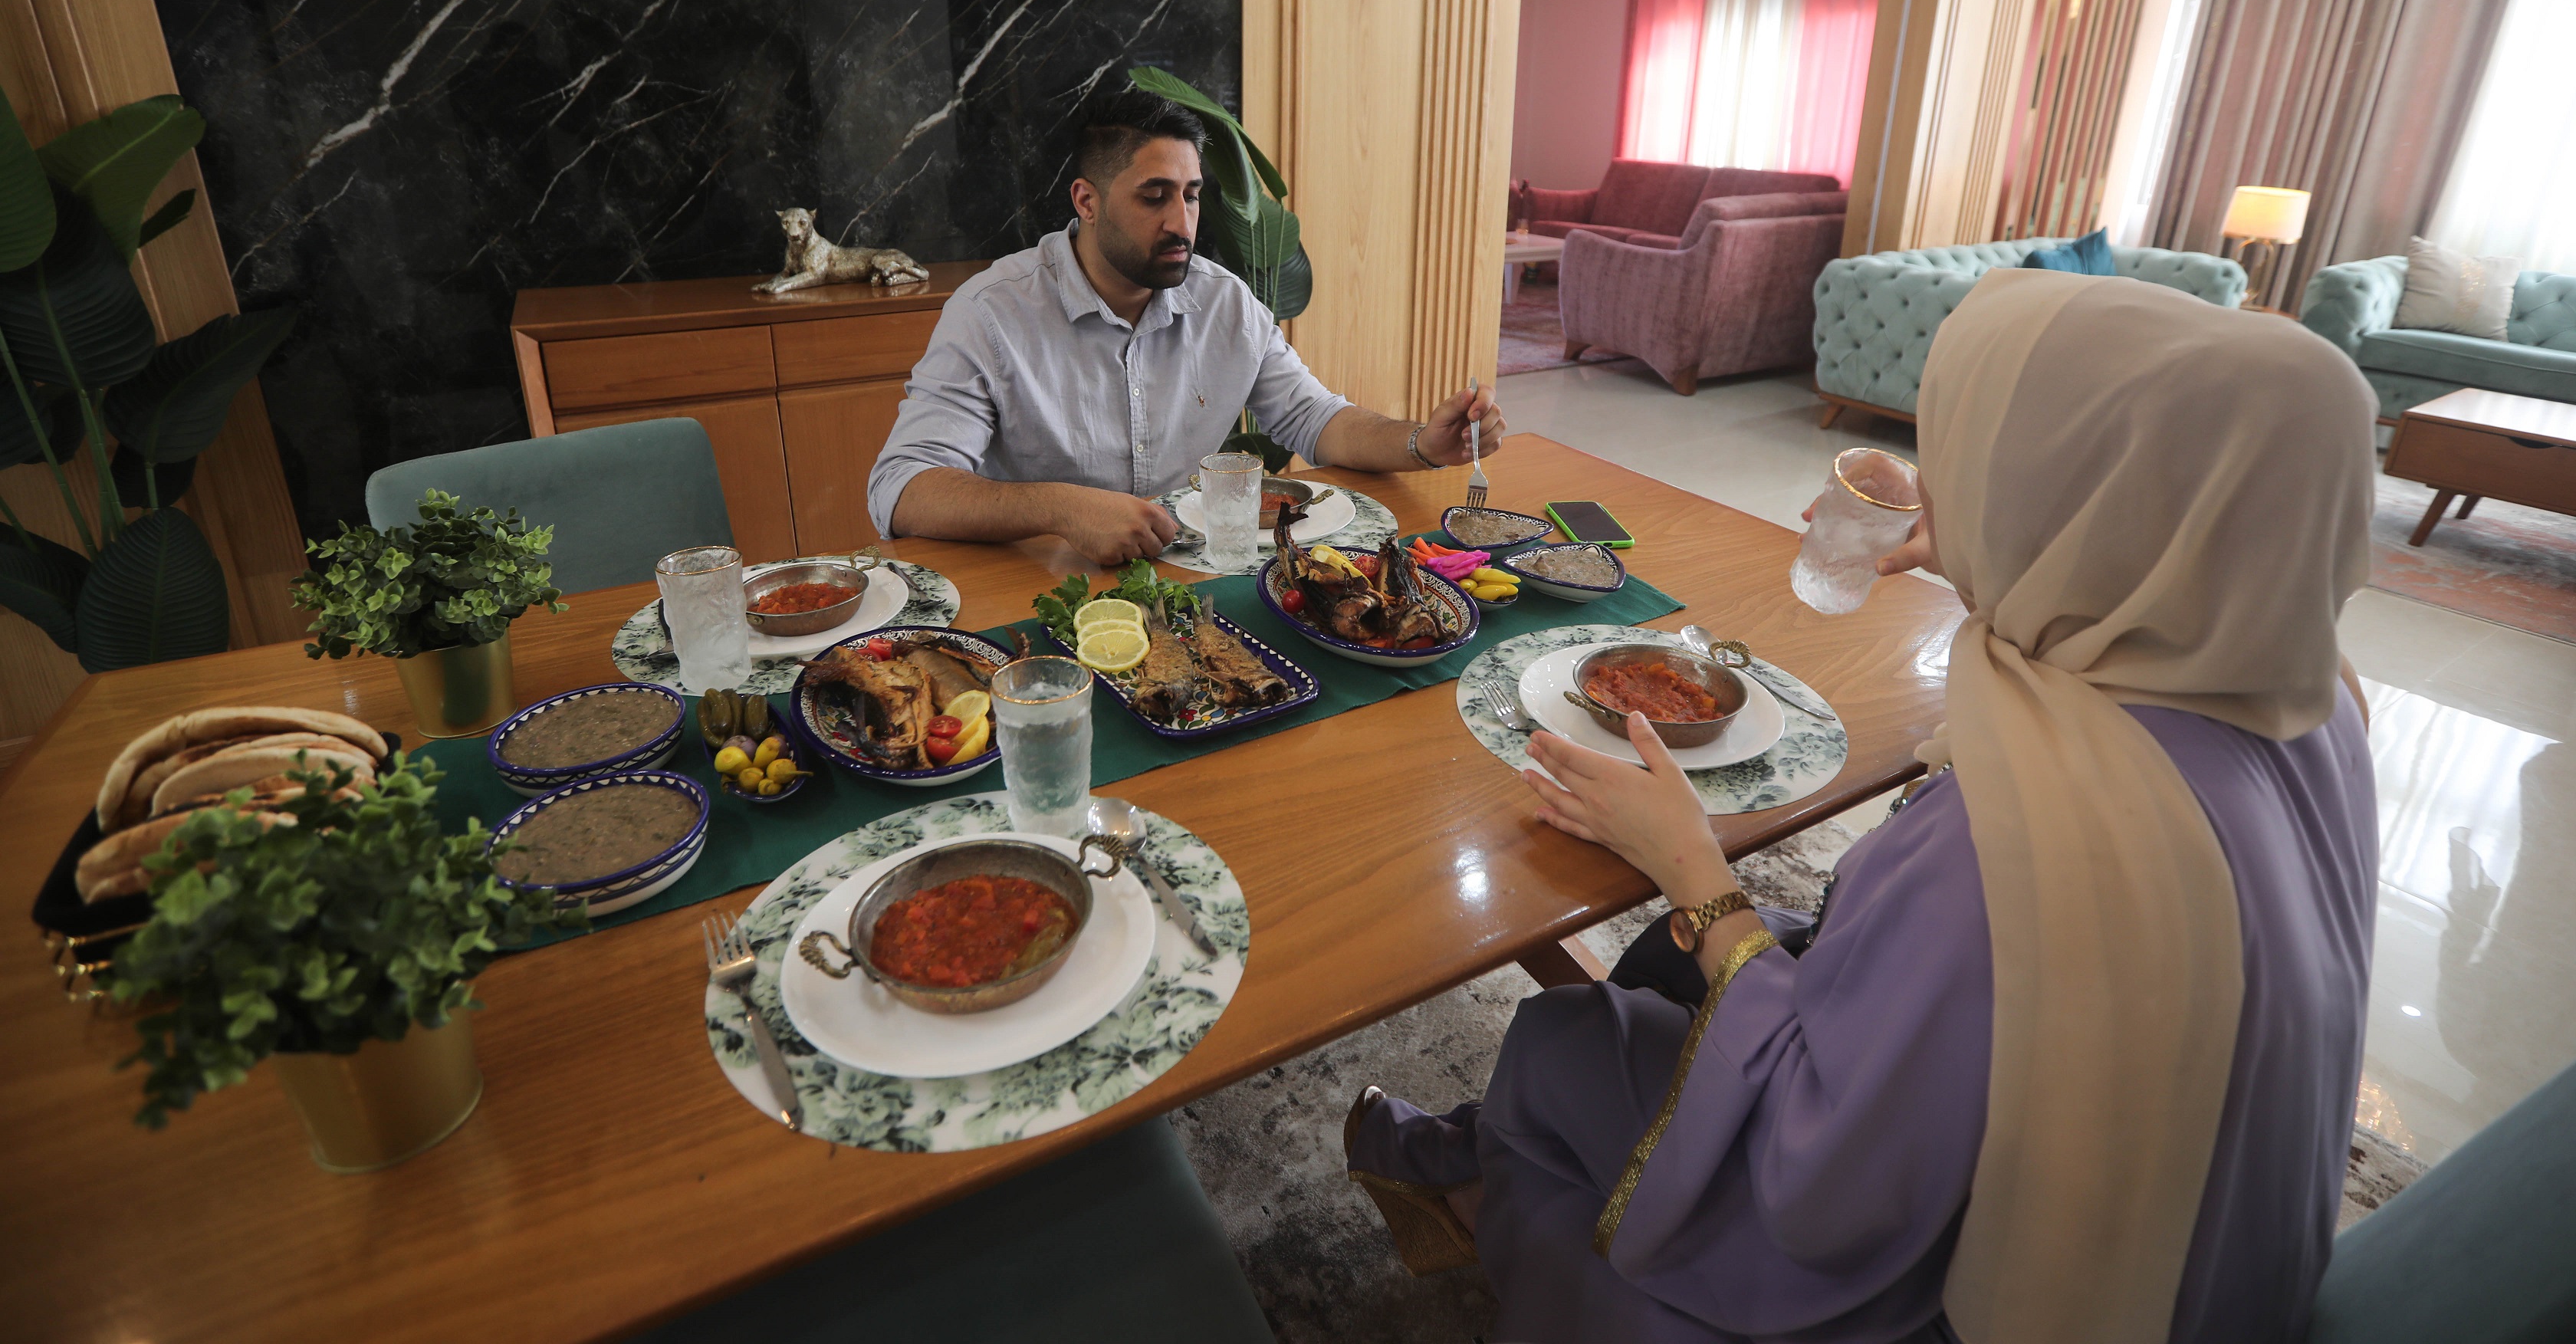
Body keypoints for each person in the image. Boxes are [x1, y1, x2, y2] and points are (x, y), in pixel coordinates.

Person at [1342, 269, 2383, 1343]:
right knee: (1663, 962)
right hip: (2182, 1232)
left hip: (1951, 1280)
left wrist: (1696, 873)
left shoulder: (2022, 838)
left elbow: (1821, 1180)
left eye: (1985, 462)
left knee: (1562, 1037)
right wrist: (1975, 536)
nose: (1948, 487)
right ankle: (1482, 1163)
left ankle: (1479, 1194)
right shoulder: (2310, 702)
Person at [866, 89, 1505, 565]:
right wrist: (1061, 508)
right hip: (1041, 583)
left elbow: (1316, 419)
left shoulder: (1225, 303)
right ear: (1086, 201)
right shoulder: (991, 311)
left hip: (1188, 579)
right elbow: (902, 490)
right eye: (1154, 197)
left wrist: (1422, 442)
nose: (1183, 222)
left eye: (1192, 194)